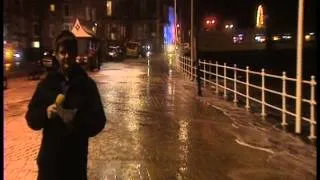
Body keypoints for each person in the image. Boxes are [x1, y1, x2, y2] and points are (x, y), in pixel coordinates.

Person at [25, 30, 107, 180]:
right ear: (56, 55)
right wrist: (45, 113)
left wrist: (77, 119)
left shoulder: (87, 85)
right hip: (49, 166)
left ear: (76, 53)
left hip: (74, 165)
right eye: (63, 52)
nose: (67, 56)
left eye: (70, 52)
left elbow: (99, 121)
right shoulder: (46, 84)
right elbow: (31, 118)